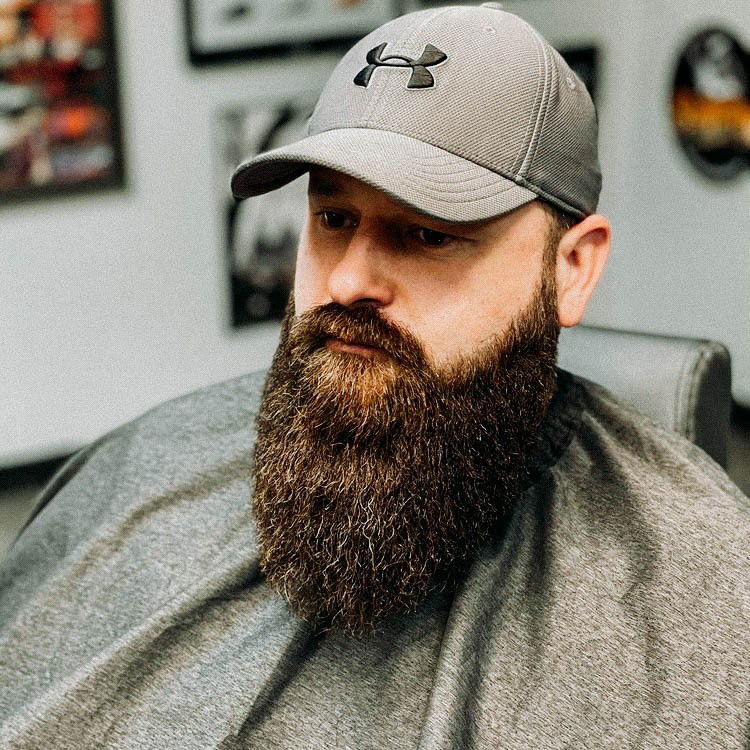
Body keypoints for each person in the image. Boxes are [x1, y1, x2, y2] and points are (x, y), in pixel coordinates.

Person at [0, 5, 748, 748]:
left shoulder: (706, 602)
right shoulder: (133, 469)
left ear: (571, 268)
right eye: (332, 220)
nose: (349, 280)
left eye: (427, 233)